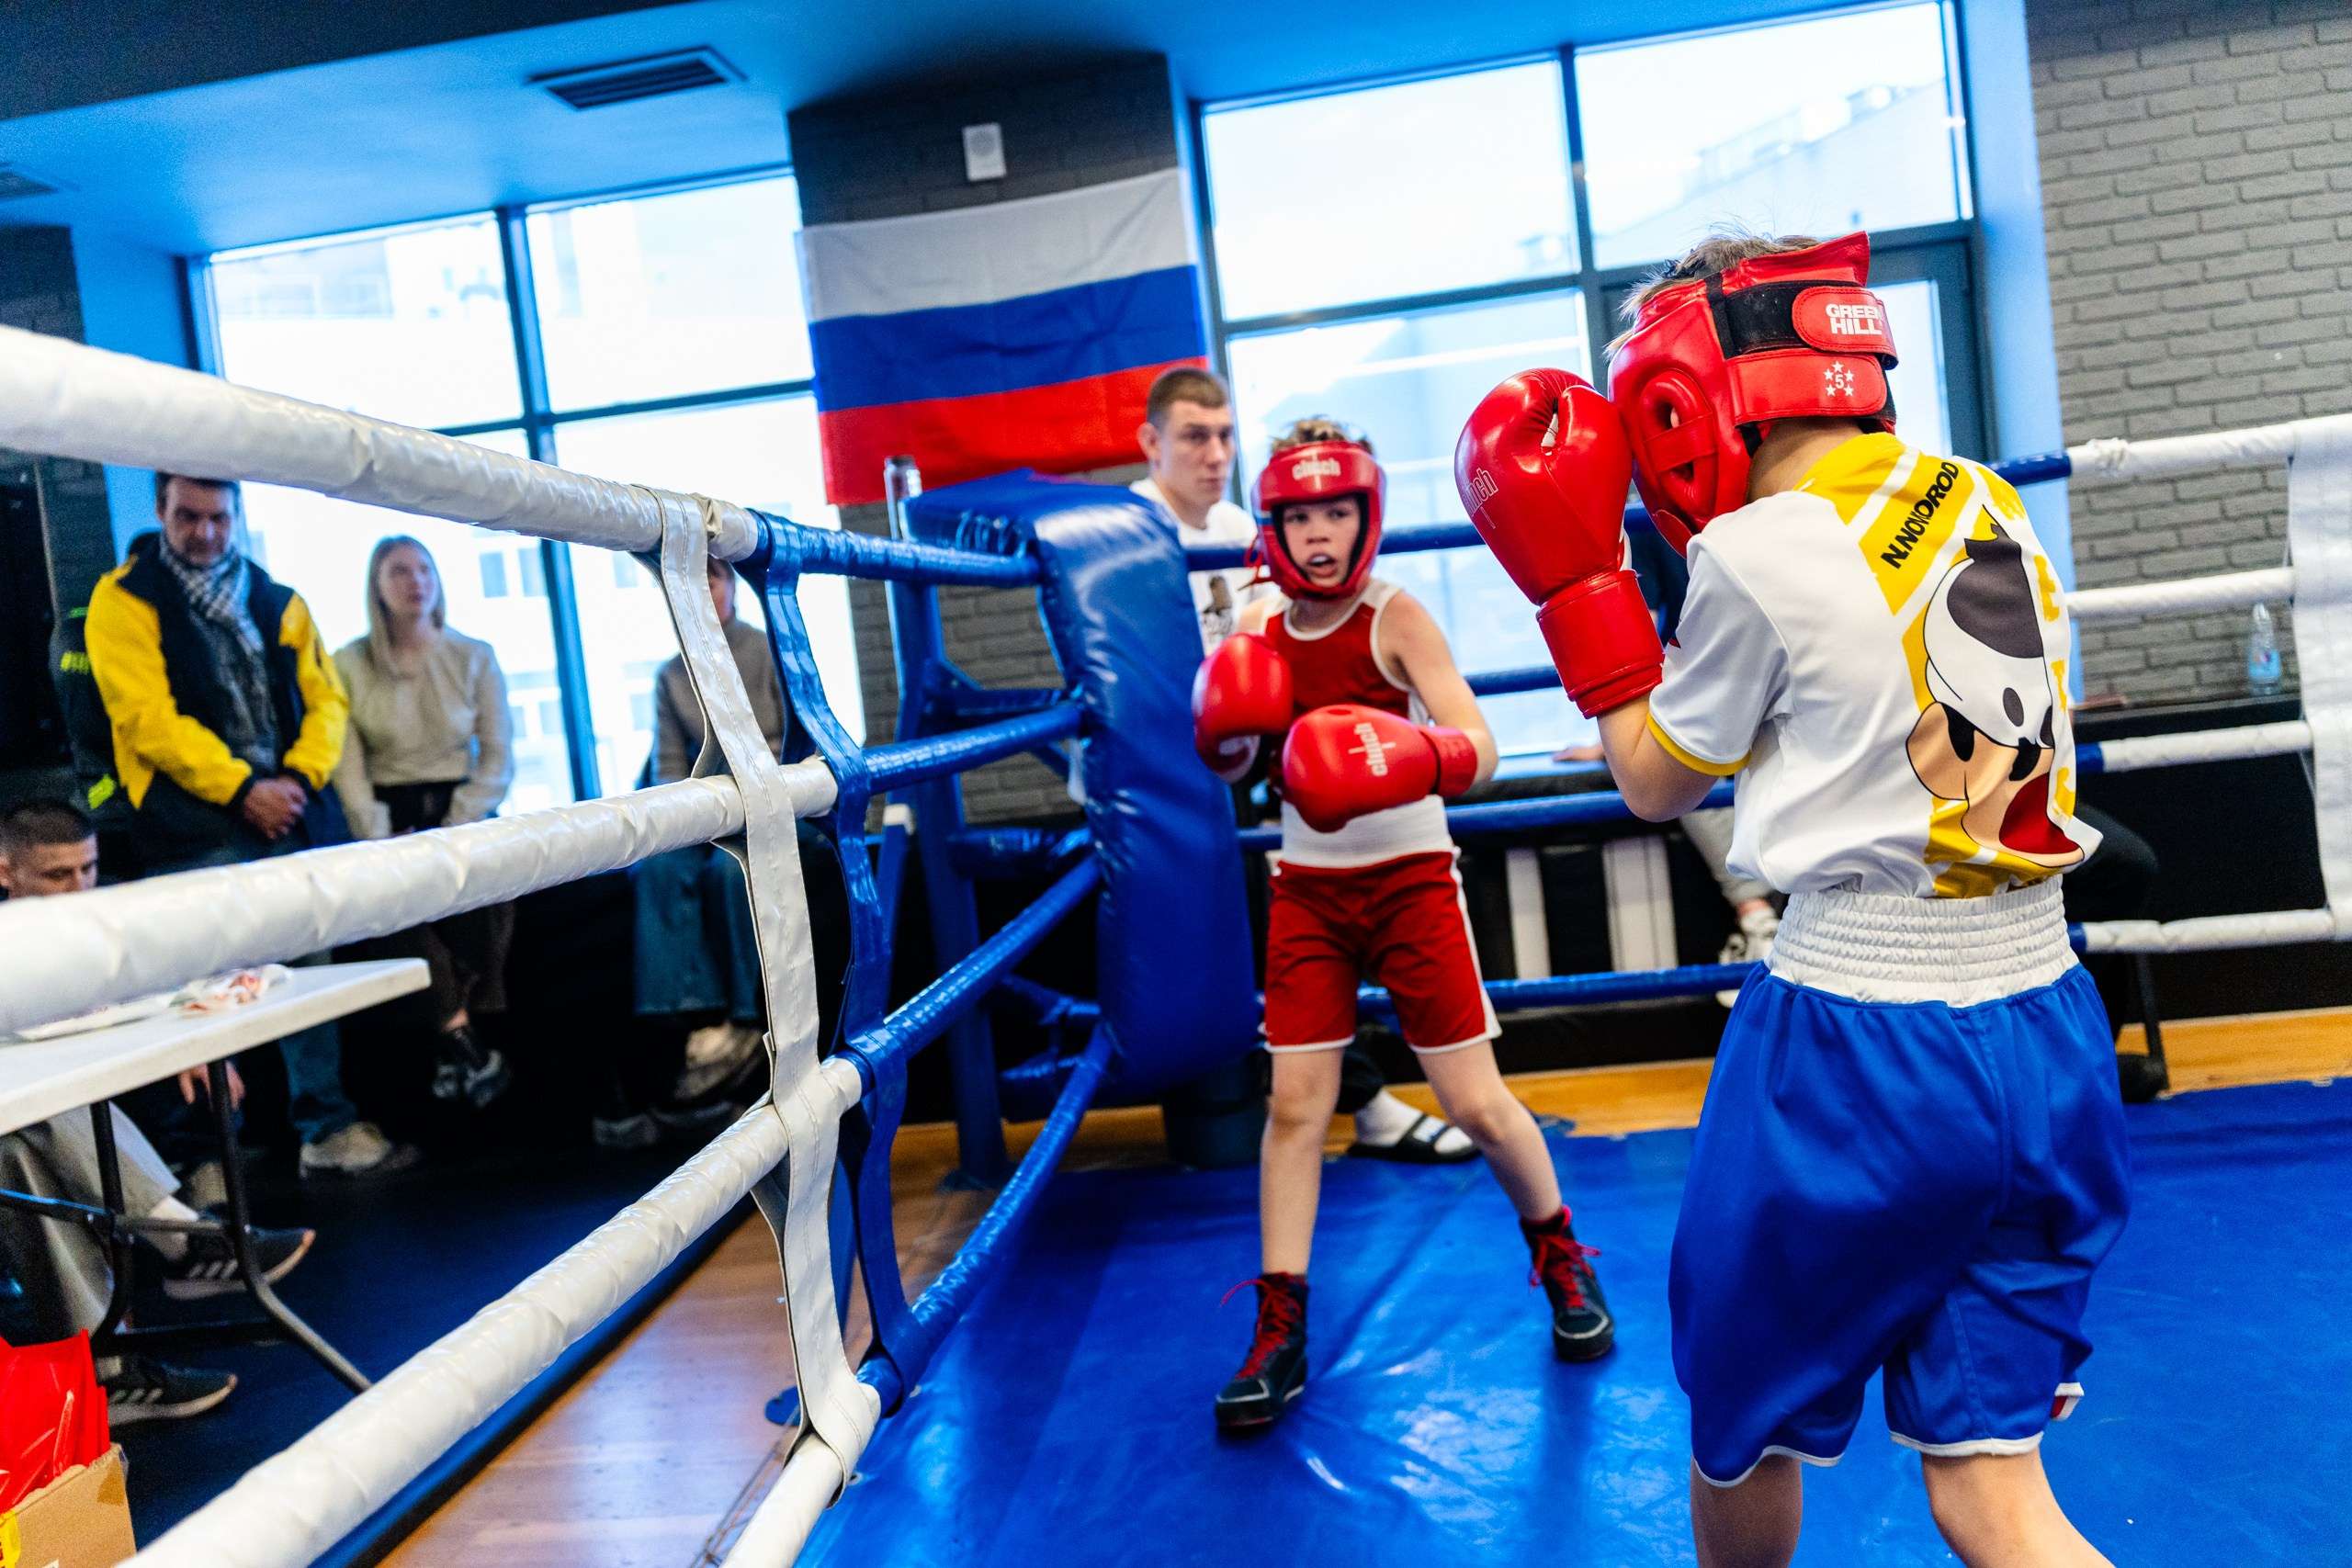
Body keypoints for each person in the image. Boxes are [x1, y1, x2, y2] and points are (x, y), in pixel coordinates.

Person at [1458, 232, 2127, 1567]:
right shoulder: (1985, 500)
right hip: (2048, 1025)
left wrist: (1581, 588)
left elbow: (1653, 780)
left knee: (1740, 1422)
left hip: (1858, 1048)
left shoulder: (1761, 548)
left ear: (1680, 401)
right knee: (1996, 1494)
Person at [1193, 423, 1613, 1434]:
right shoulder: (1255, 624)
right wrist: (1227, 736)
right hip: (1308, 890)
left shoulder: (1396, 617)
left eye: (1337, 510)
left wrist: (1402, 751)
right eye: (1300, 514)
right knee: (1296, 1106)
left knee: (1473, 1102)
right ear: (1276, 525)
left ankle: (1557, 1254)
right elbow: (1233, 764)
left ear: (1365, 515)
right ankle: (1279, 1324)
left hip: (1413, 881)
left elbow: (1480, 746)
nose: (1320, 533)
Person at [1137, 371, 1473, 1164]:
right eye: (1193, 436)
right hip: (1164, 777)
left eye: (1225, 435)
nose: (1215, 453)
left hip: (1284, 762)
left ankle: (1361, 1101)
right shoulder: (1128, 536)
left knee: (1303, 935)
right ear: (1152, 443)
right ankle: (1331, 1104)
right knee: (1250, 952)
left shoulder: (1236, 524)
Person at [83, 472, 413, 1179]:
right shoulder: (122, 599)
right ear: (162, 511)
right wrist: (242, 789)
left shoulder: (277, 598)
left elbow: (328, 701)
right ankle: (207, 1157)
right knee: (196, 990)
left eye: (218, 518)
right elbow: (146, 719)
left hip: (287, 814)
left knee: (306, 978)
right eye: (188, 516)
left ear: (236, 516)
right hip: (188, 822)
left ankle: (324, 1127)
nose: (205, 532)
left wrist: (294, 781)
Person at [0, 799, 312, 1425]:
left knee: (19, 1148)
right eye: (58, 875)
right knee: (34, 1116)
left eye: (87, 869)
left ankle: (112, 1374)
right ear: (6, 871)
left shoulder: (101, 919)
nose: (79, 887)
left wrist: (188, 1035)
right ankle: (184, 1238)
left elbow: (149, 987)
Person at [332, 536, 514, 1111]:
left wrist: (455, 824)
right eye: (399, 572)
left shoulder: (474, 654)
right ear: (377, 587)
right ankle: (462, 1035)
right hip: (388, 817)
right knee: (397, 911)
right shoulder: (347, 664)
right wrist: (378, 834)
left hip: (464, 810)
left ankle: (457, 1036)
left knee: (492, 892)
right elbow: (348, 767)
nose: (416, 582)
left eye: (425, 570)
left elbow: (499, 759)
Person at [627, 551, 787, 1141]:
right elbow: (669, 767)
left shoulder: (767, 649)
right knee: (658, 871)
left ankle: (747, 1019)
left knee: (730, 874)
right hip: (705, 803)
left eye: (712, 579)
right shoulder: (670, 675)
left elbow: (796, 738)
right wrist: (692, 814)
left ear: (730, 589)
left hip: (772, 798)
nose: (703, 591)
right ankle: (690, 1015)